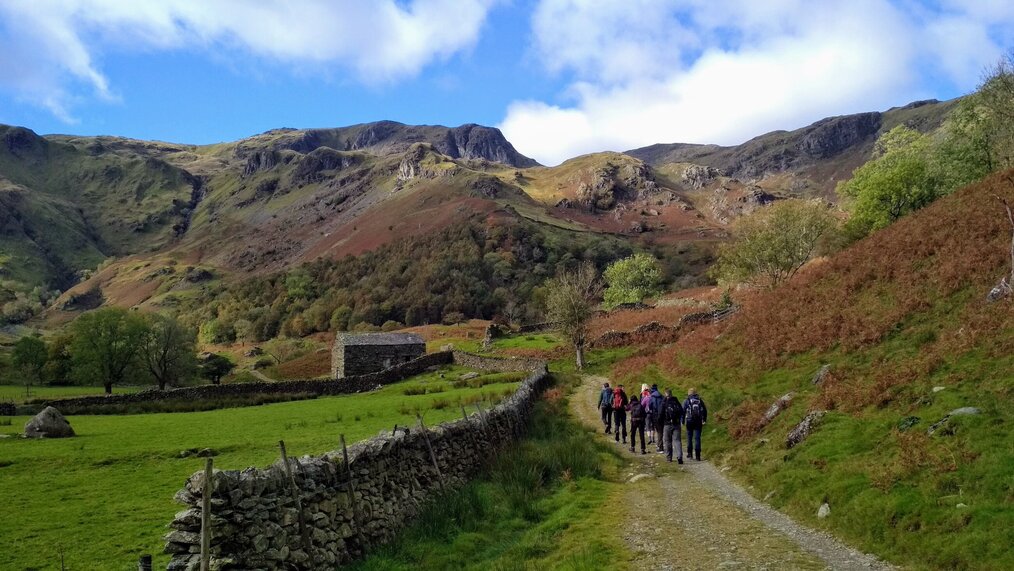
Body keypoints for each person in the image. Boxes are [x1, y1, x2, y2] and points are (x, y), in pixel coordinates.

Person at [660, 388, 684, 463]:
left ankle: (669, 457)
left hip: (667, 424)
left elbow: (660, 413)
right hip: (676, 424)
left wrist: (660, 422)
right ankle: (679, 456)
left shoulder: (664, 402)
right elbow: (681, 411)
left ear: (665, 394)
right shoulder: (676, 401)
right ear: (671, 394)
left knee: (667, 441)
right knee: (677, 441)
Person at [683, 388, 708, 461]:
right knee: (697, 438)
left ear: (689, 393)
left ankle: (690, 454)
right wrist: (704, 420)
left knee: (689, 437)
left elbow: (683, 410)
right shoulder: (699, 400)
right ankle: (698, 455)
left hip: (689, 421)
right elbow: (705, 411)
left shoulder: (687, 400)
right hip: (698, 421)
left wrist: (682, 421)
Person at [649, 384, 665, 452]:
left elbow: (650, 406)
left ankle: (660, 446)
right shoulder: (661, 396)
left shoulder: (652, 397)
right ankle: (660, 445)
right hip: (662, 415)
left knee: (658, 431)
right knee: (660, 431)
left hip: (655, 416)